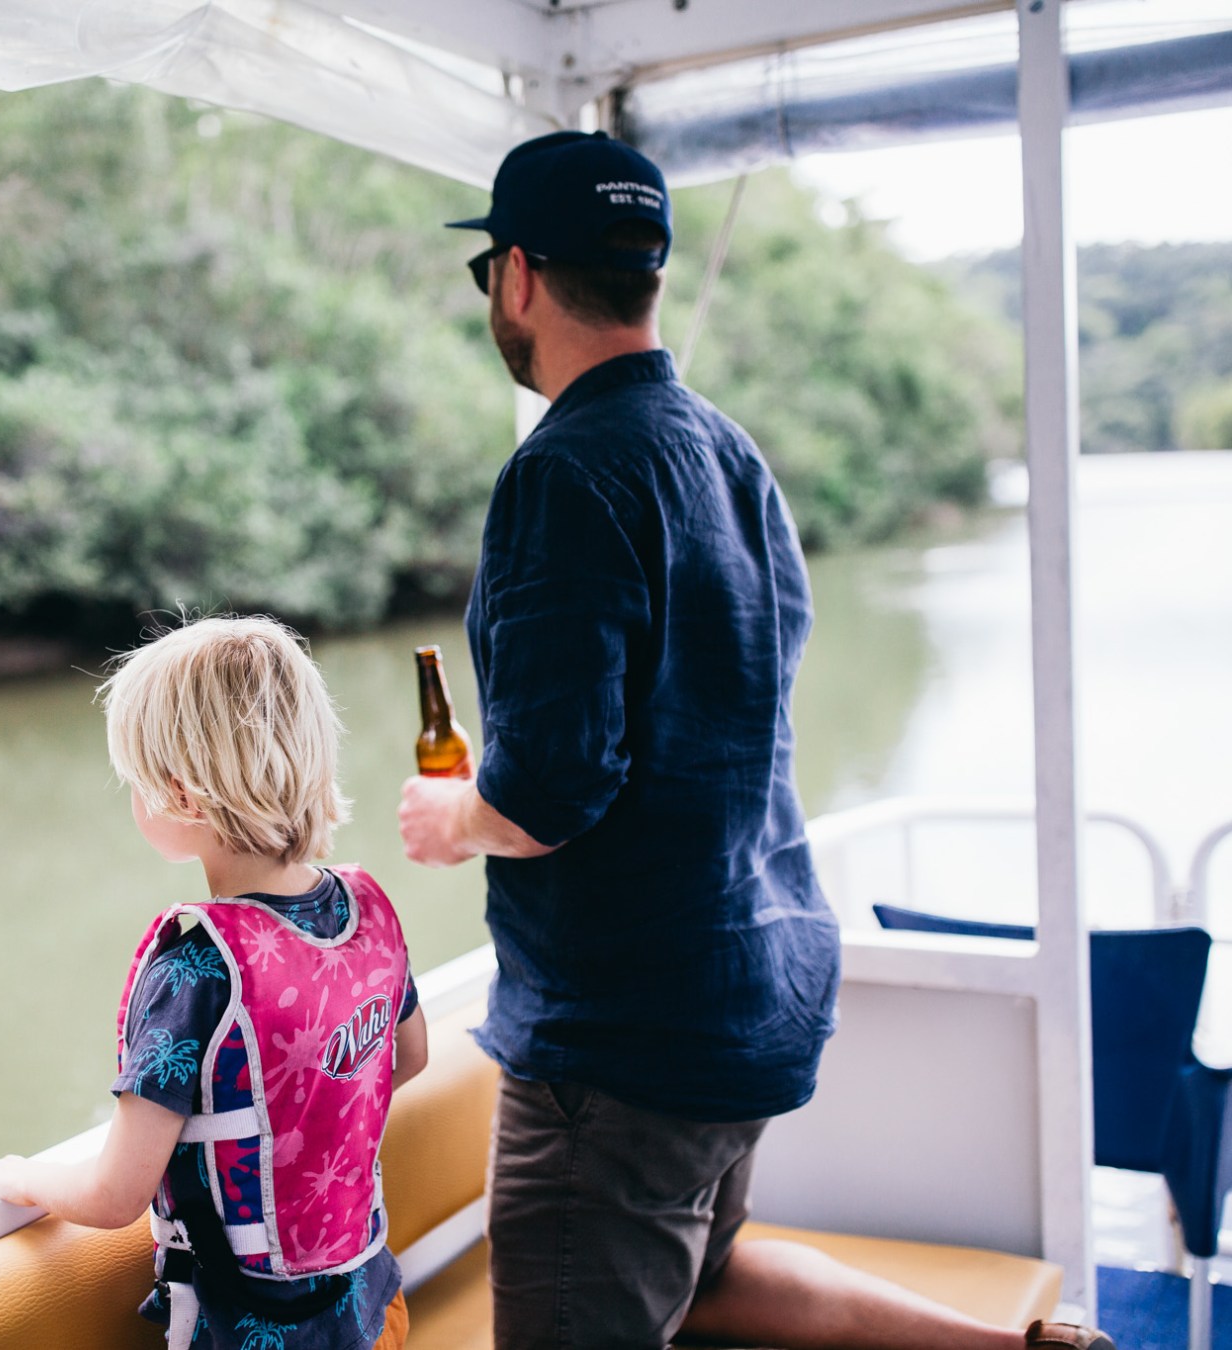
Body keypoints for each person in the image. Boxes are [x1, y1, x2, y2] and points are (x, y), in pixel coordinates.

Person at [397, 130, 1114, 1350]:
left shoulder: (562, 475)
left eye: (489, 280)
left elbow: (551, 787)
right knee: (710, 1278)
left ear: (517, 275)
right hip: (757, 986)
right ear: (651, 274)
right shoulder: (731, 453)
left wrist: (455, 818)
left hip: (619, 1041)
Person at [0, 614, 428, 1350]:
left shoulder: (197, 965)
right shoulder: (365, 908)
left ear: (182, 798)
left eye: (137, 784)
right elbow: (409, 1057)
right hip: (372, 1307)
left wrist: (28, 1182)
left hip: (253, 1333)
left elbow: (116, 1195)